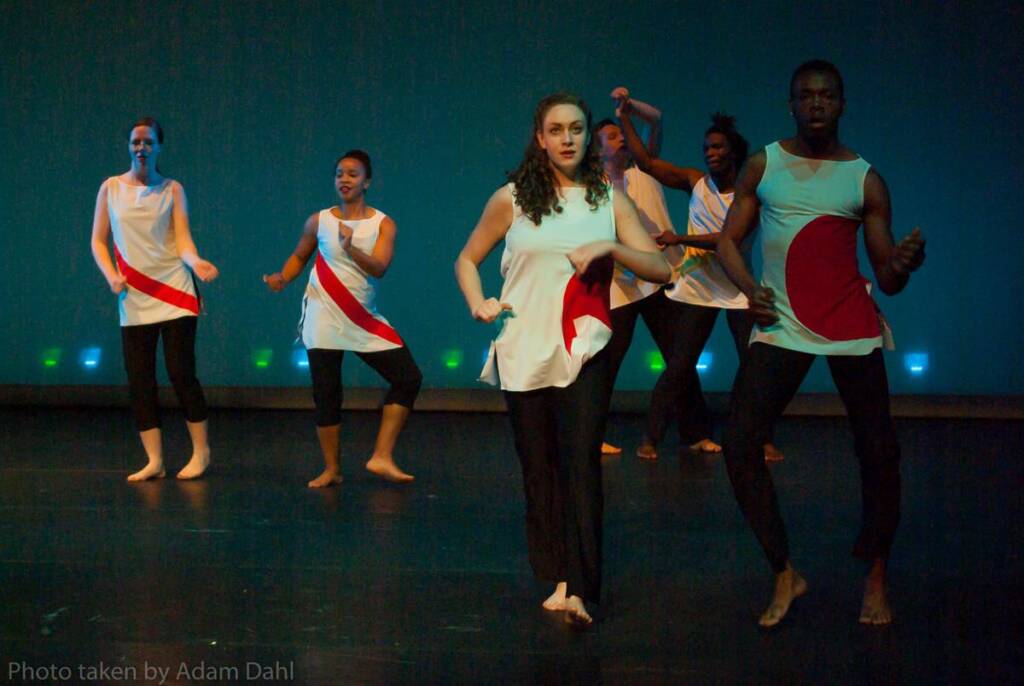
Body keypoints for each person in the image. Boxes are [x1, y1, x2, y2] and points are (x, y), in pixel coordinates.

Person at [716, 60, 926, 627]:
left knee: (880, 455)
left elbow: (886, 277)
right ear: (791, 104)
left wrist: (904, 267)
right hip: (783, 324)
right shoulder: (765, 164)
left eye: (826, 95)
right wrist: (747, 289)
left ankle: (876, 576)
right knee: (739, 445)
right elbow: (728, 242)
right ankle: (785, 571)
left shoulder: (864, 178)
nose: (815, 104)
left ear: (841, 103)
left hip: (850, 326)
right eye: (805, 95)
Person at [454, 93, 670, 626]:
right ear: (540, 137)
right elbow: (466, 258)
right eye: (557, 130)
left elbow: (660, 268)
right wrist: (477, 300)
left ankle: (579, 583)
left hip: (583, 345)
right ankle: (557, 571)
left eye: (576, 128)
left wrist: (612, 250)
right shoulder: (511, 199)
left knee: (580, 461)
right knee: (539, 466)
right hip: (523, 345)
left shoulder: (607, 198)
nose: (568, 138)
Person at [617, 101, 783, 462]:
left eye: (718, 147)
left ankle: (761, 438)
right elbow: (646, 163)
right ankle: (651, 437)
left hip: (738, 288)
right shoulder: (696, 182)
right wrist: (624, 116)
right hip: (697, 288)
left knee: (752, 366)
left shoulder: (748, 196)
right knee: (678, 367)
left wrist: (680, 239)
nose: (710, 153)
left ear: (735, 152)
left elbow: (728, 240)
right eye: (707, 148)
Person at [264, 150, 422, 487]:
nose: (344, 180)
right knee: (327, 393)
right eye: (339, 174)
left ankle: (381, 456)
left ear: (367, 181)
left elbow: (379, 267)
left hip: (363, 317)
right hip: (323, 315)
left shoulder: (383, 223)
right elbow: (299, 256)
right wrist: (283, 277)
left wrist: (351, 249)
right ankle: (332, 469)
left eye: (352, 174)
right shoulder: (319, 220)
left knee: (408, 378)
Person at [90, 117, 218, 482]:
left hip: (175, 289)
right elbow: (98, 240)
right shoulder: (110, 188)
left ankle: (201, 451)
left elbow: (183, 240)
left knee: (180, 372)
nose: (141, 148)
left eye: (147, 142)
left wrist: (197, 262)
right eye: (135, 142)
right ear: (128, 147)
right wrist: (111, 275)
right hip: (134, 294)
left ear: (159, 146)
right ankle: (155, 460)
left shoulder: (173, 189)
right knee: (140, 378)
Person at [595, 87, 681, 456]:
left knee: (680, 357)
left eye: (622, 133)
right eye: (612, 136)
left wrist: (628, 110)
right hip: (621, 284)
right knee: (608, 361)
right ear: (597, 150)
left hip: (661, 278)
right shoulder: (594, 188)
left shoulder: (646, 170)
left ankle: (693, 432)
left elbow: (657, 119)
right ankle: (592, 431)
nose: (621, 138)